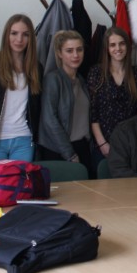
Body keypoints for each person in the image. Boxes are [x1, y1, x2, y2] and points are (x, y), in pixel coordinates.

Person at [0, 14, 42, 165]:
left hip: (24, 140)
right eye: (14, 33)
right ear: (7, 35)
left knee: (21, 180)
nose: (19, 39)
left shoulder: (37, 68)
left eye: (25, 35)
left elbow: (37, 110)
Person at [37, 30, 94, 175]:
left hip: (82, 147)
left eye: (79, 50)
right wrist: (69, 153)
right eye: (69, 50)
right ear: (59, 53)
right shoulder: (53, 79)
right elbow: (49, 120)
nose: (76, 55)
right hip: (58, 150)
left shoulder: (82, 81)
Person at [87, 27, 137, 164]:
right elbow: (93, 114)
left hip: (132, 145)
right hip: (103, 145)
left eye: (122, 43)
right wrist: (103, 144)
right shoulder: (96, 73)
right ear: (107, 48)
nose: (118, 48)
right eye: (113, 45)